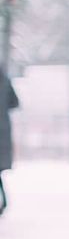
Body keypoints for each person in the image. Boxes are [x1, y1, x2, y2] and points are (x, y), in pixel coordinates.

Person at [0, 66, 19, 217]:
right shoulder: (5, 80)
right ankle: (3, 201)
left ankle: (3, 201)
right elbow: (15, 103)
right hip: (3, 133)